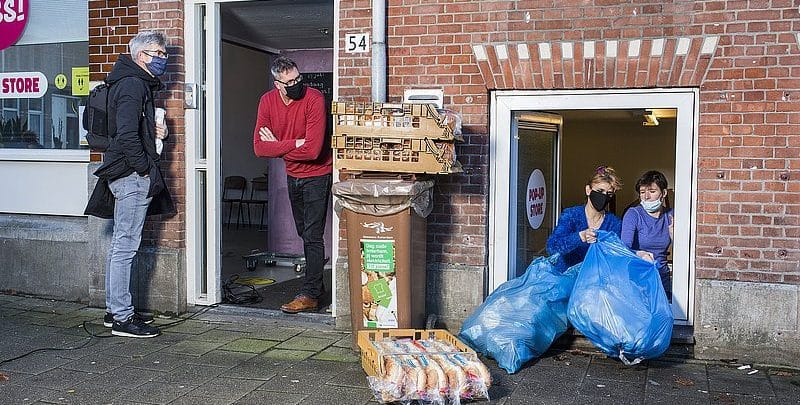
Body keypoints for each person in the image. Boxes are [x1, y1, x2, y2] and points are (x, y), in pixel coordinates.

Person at [85, 31, 175, 338]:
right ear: (140, 55)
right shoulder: (133, 84)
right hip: (132, 177)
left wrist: (156, 133)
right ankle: (123, 318)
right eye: (158, 53)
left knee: (121, 246)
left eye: (164, 54)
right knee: (125, 247)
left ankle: (116, 311)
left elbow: (132, 130)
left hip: (126, 174)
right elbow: (125, 135)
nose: (163, 58)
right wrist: (145, 170)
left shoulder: (129, 82)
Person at [253, 56, 332, 314]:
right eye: (289, 82)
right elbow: (259, 147)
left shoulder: (314, 98)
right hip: (293, 175)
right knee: (304, 232)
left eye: (298, 78)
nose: (296, 84)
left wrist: (279, 146)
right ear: (278, 84)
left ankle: (310, 294)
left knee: (312, 235)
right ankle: (316, 284)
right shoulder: (267, 101)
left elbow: (313, 150)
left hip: (318, 174)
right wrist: (295, 143)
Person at [546, 166, 623, 272]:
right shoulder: (571, 215)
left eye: (609, 194)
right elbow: (552, 247)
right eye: (600, 191)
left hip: (595, 280)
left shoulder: (614, 223)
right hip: (565, 277)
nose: (604, 197)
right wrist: (580, 236)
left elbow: (619, 253)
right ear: (588, 190)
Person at [621, 170, 674, 300]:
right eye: (642, 192)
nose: (646, 197)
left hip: (662, 279)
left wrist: (674, 236)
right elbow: (623, 248)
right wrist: (640, 254)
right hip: (638, 279)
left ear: (664, 193)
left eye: (652, 191)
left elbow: (686, 257)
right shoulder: (633, 214)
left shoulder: (671, 216)